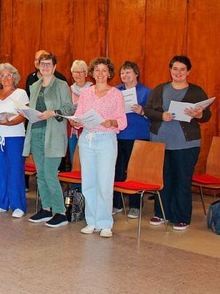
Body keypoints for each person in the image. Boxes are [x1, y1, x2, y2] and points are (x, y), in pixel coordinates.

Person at [145, 55, 212, 231]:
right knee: (163, 179)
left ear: (188, 72)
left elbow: (207, 115)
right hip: (161, 143)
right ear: (170, 70)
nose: (178, 72)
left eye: (183, 69)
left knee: (182, 180)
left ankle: (182, 217)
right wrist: (161, 115)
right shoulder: (160, 89)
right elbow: (148, 110)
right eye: (175, 69)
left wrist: (199, 115)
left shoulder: (196, 91)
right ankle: (161, 213)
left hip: (186, 144)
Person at [71, 57, 127, 238]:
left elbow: (122, 121)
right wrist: (76, 121)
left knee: (104, 182)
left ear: (110, 73)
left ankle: (105, 223)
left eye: (104, 70)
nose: (100, 74)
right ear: (92, 73)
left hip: (106, 139)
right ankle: (91, 221)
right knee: (88, 182)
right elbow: (79, 116)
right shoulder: (86, 93)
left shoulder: (116, 94)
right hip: (87, 138)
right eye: (97, 70)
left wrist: (112, 122)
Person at [22, 52, 74, 227]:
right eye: (42, 64)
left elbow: (69, 108)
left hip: (53, 133)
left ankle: (60, 212)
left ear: (54, 67)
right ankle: (46, 208)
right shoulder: (35, 85)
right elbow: (34, 106)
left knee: (50, 174)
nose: (45, 67)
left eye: (48, 64)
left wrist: (53, 112)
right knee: (41, 174)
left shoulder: (61, 85)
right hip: (36, 131)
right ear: (38, 65)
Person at [0, 63, 28, 218]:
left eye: (9, 75)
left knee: (15, 170)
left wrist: (10, 121)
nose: (6, 78)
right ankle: (1, 203)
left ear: (14, 77)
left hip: (15, 136)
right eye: (2, 75)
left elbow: (23, 115)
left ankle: (18, 205)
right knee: (0, 169)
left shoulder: (21, 93)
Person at [112, 61, 151, 218]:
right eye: (122, 73)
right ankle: (117, 203)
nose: (124, 75)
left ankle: (135, 205)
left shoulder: (146, 92)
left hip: (138, 136)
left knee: (135, 171)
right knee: (117, 170)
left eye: (128, 72)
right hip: (118, 135)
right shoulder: (115, 91)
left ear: (136, 73)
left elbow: (153, 115)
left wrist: (142, 111)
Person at [68, 59, 92, 166]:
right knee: (75, 161)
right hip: (72, 130)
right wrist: (69, 118)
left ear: (86, 73)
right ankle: (75, 184)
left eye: (81, 72)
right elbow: (65, 109)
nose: (78, 75)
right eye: (75, 72)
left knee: (87, 162)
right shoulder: (68, 90)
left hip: (88, 130)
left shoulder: (92, 89)